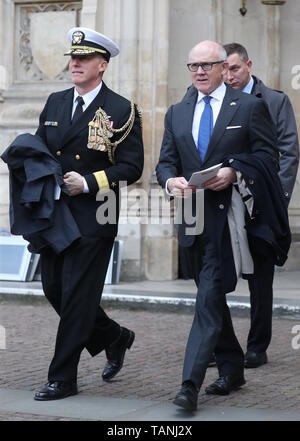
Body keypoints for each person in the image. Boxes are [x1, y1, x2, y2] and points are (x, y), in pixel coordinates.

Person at [156, 40, 285, 411]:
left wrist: (233, 170)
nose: (199, 71)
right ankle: (232, 366)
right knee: (208, 296)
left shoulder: (249, 106)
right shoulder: (177, 113)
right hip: (191, 219)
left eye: (207, 65)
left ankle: (188, 385)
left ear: (221, 68)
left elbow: (267, 157)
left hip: (229, 222)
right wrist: (170, 182)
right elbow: (165, 162)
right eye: (193, 65)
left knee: (208, 300)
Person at [32, 27, 144, 400]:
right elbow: (40, 152)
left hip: (95, 215)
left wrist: (90, 182)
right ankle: (114, 336)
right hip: (56, 216)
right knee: (55, 289)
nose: (75, 63)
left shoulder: (120, 109)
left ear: (102, 64)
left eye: (83, 59)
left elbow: (132, 167)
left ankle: (62, 377)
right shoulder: (55, 102)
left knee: (78, 296)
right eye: (72, 58)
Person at [223, 42, 299, 368]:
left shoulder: (275, 100)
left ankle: (257, 346)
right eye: (223, 69)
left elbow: (289, 152)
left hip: (263, 205)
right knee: (215, 276)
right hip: (224, 201)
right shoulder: (216, 100)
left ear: (249, 65)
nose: (228, 76)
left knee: (260, 279)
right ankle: (221, 345)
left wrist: (276, 201)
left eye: (234, 68)